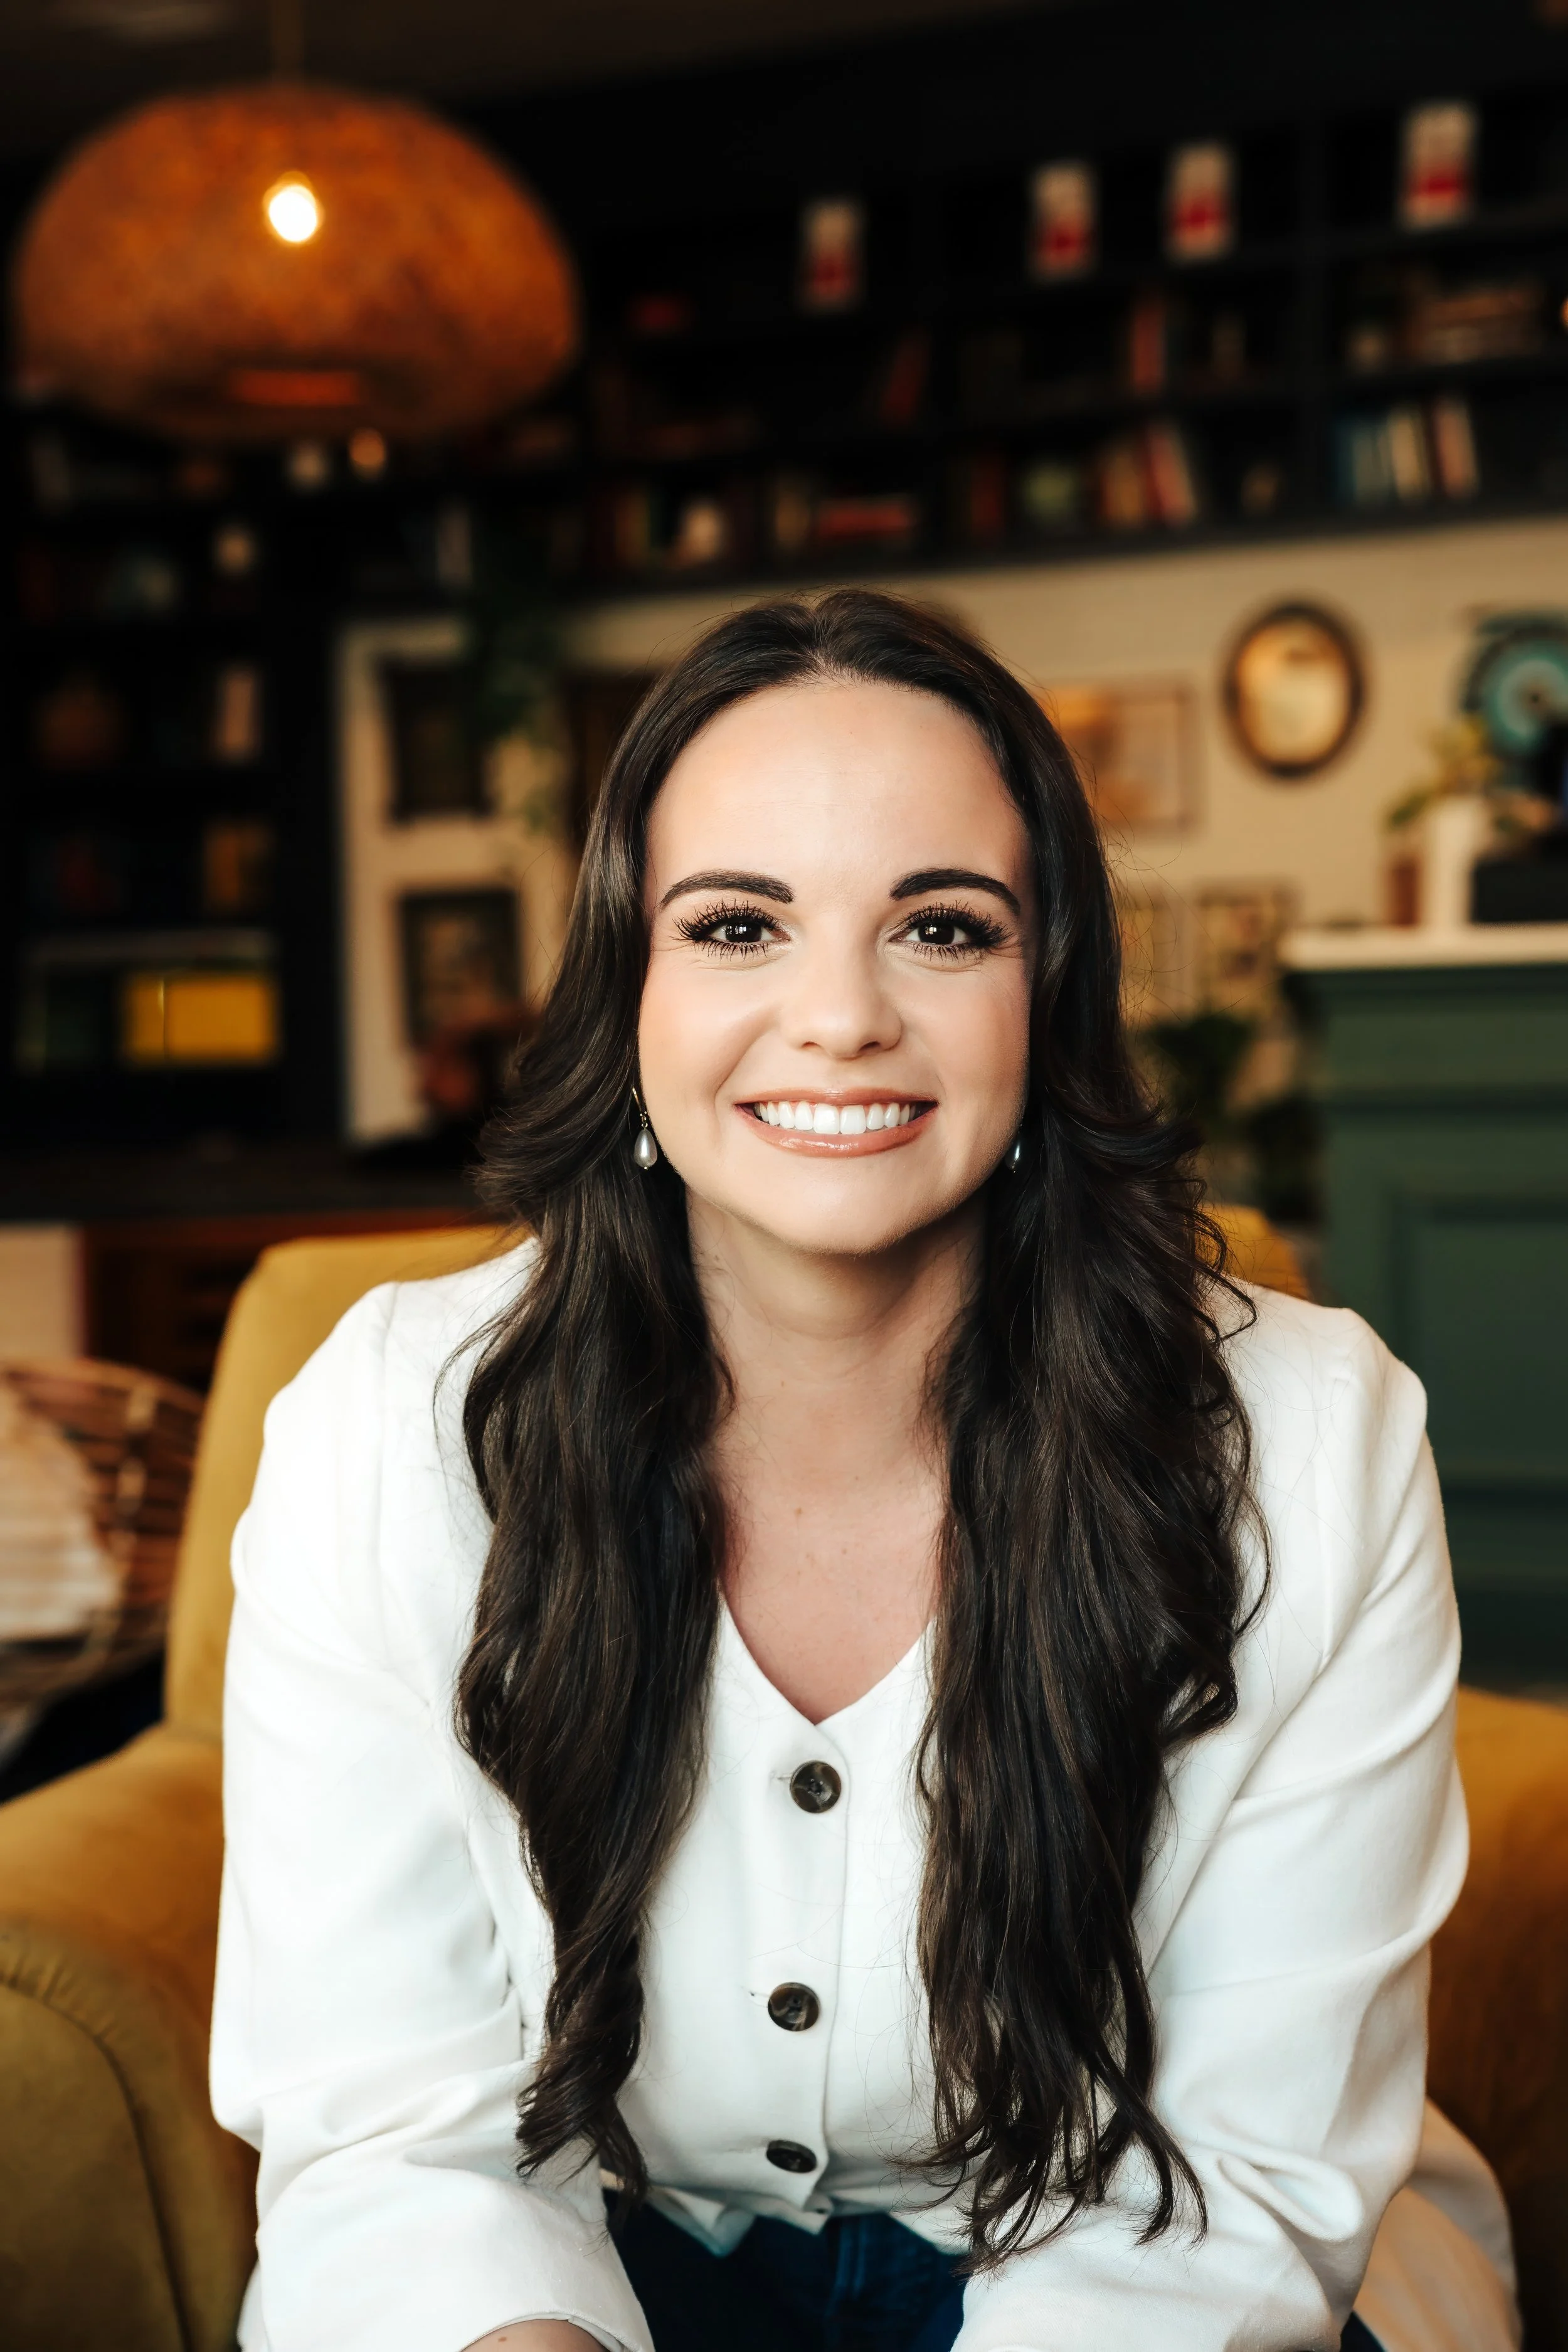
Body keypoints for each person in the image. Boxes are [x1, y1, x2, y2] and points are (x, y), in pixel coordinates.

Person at [212, 590, 1519, 2352]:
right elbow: (390, 2135)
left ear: (1043, 992)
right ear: (634, 987)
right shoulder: (382, 1425)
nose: (837, 1017)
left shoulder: (1313, 1440)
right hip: (581, 2277)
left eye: (942, 927)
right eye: (738, 923)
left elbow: (1227, 2183)